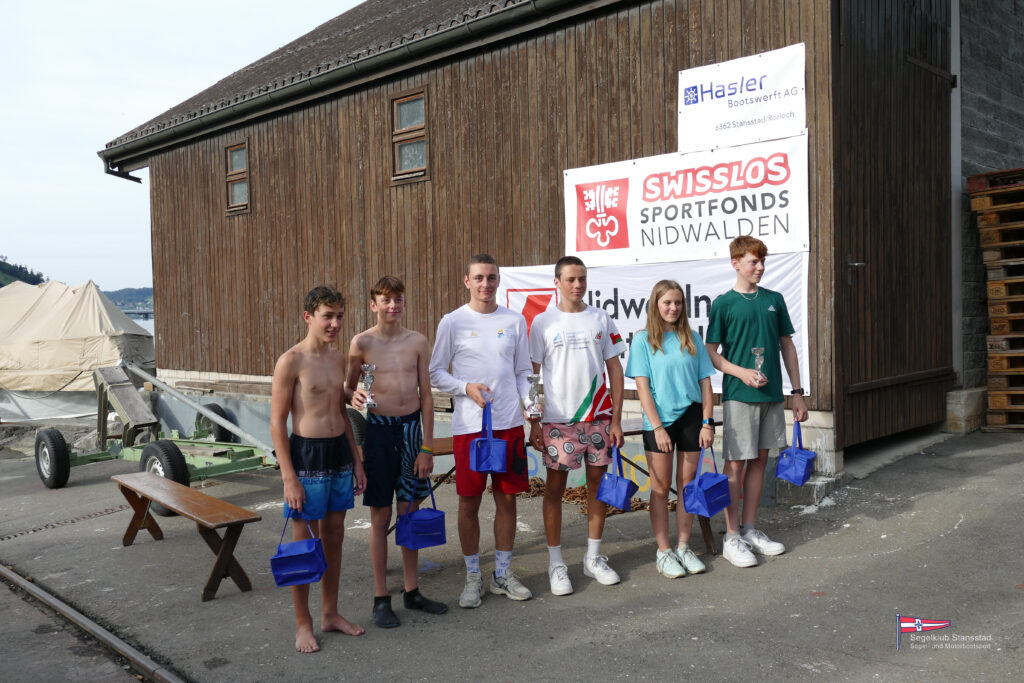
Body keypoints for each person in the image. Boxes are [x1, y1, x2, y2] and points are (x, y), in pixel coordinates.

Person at [429, 254, 535, 607]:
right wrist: (465, 387)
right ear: (467, 281)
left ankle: (502, 573)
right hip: (471, 428)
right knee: (468, 502)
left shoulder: (514, 320)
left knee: (507, 500)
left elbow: (523, 372)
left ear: (498, 280)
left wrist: (531, 408)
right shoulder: (452, 322)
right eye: (478, 278)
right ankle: (473, 575)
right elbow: (435, 372)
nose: (485, 284)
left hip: (509, 425)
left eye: (491, 278)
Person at [346, 276, 448, 629]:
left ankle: (412, 590)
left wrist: (427, 446)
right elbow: (347, 389)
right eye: (386, 300)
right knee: (380, 517)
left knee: (409, 513)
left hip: (410, 432)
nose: (393, 305)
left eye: (398, 299)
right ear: (373, 305)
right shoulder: (361, 343)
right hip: (378, 432)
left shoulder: (417, 341)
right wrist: (353, 395)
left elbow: (427, 396)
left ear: (404, 302)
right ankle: (380, 597)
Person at [270, 285, 367, 653]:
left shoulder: (336, 358)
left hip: (338, 452)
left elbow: (341, 412)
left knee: (335, 537)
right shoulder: (290, 361)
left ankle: (330, 613)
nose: (335, 324)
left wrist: (356, 461)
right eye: (328, 316)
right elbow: (277, 423)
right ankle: (303, 623)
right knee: (304, 543)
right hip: (306, 456)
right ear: (308, 317)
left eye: (339, 316)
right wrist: (288, 477)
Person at [704, 236, 809, 568]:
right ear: (735, 263)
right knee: (736, 464)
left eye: (762, 261)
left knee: (761, 460)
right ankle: (731, 535)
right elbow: (711, 353)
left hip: (772, 395)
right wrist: (742, 373)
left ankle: (749, 528)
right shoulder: (724, 303)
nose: (760, 267)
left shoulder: (774, 299)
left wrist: (797, 392)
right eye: (753, 261)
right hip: (739, 396)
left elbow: (787, 345)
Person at [527, 256, 625, 595]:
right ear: (557, 282)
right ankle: (556, 564)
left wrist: (615, 419)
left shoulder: (600, 317)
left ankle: (593, 558)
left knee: (597, 487)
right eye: (570, 279)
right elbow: (531, 376)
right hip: (558, 422)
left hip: (598, 418)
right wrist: (534, 420)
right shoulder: (542, 322)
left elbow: (615, 370)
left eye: (582, 278)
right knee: (554, 491)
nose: (577, 285)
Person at [626, 280, 715, 579]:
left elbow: (705, 383)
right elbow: (642, 388)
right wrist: (658, 428)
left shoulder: (692, 338)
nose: (673, 308)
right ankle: (663, 551)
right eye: (667, 302)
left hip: (692, 417)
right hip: (659, 422)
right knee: (661, 488)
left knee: (688, 485)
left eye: (678, 303)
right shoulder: (643, 341)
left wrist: (707, 422)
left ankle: (684, 546)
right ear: (656, 305)